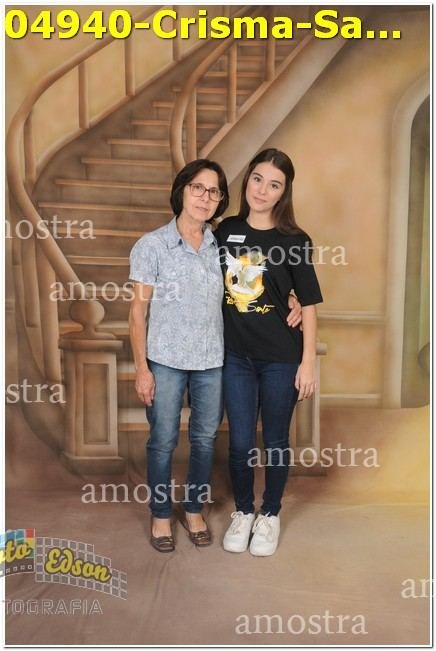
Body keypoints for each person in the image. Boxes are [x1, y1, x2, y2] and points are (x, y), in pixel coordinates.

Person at [214, 148, 323, 557]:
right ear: (248, 180)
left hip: (281, 359)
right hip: (235, 358)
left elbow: (308, 304)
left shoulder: (295, 240)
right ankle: (244, 511)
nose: (262, 190)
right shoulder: (225, 230)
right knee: (240, 442)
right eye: (257, 179)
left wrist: (307, 363)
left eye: (274, 184)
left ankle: (270, 514)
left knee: (275, 440)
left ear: (283, 192)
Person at [128, 159, 229, 552]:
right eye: (197, 188)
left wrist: (290, 296)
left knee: (204, 439)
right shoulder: (152, 245)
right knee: (163, 439)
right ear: (182, 190)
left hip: (211, 360)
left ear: (220, 200)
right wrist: (142, 369)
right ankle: (159, 514)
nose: (205, 197)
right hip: (165, 359)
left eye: (214, 191)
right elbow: (137, 311)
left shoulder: (222, 247)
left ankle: (193, 509)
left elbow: (253, 284)